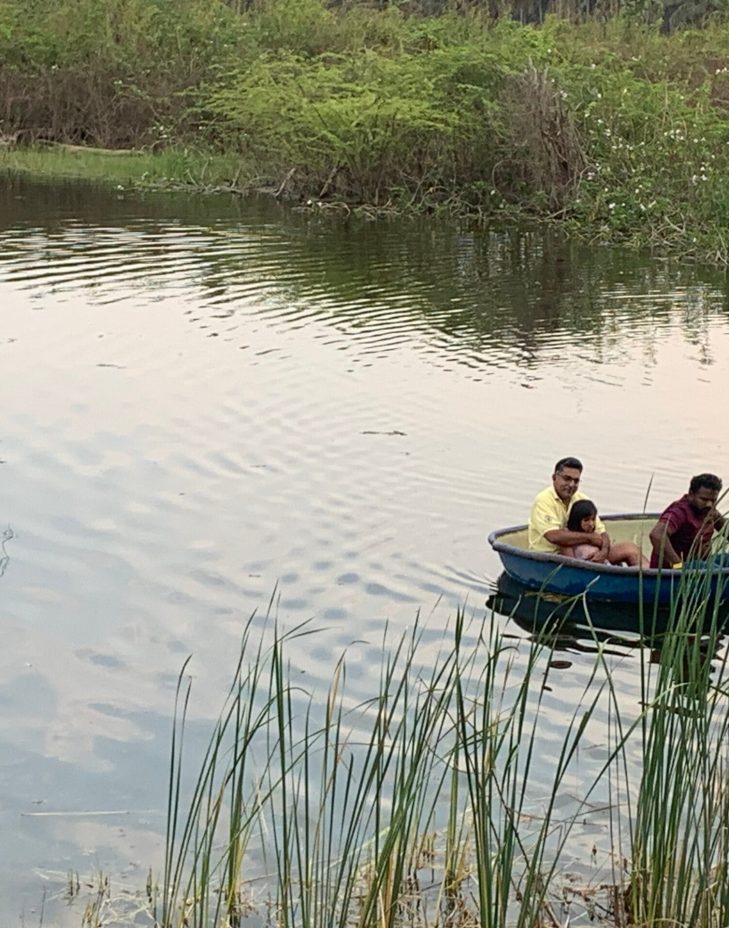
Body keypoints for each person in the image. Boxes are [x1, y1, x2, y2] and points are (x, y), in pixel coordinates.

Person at [529, 457, 647, 567]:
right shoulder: (543, 500)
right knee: (572, 555)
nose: (571, 484)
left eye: (576, 481)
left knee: (630, 549)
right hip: (552, 556)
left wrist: (604, 552)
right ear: (554, 477)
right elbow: (554, 536)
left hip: (588, 551)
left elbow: (602, 533)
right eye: (567, 479)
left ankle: (651, 577)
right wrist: (590, 538)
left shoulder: (582, 499)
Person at [649, 473, 726, 568]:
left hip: (703, 563)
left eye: (713, 500)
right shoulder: (680, 511)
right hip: (676, 570)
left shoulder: (709, 511)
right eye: (704, 499)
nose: (709, 504)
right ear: (691, 494)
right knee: (705, 566)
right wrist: (678, 566)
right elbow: (656, 535)